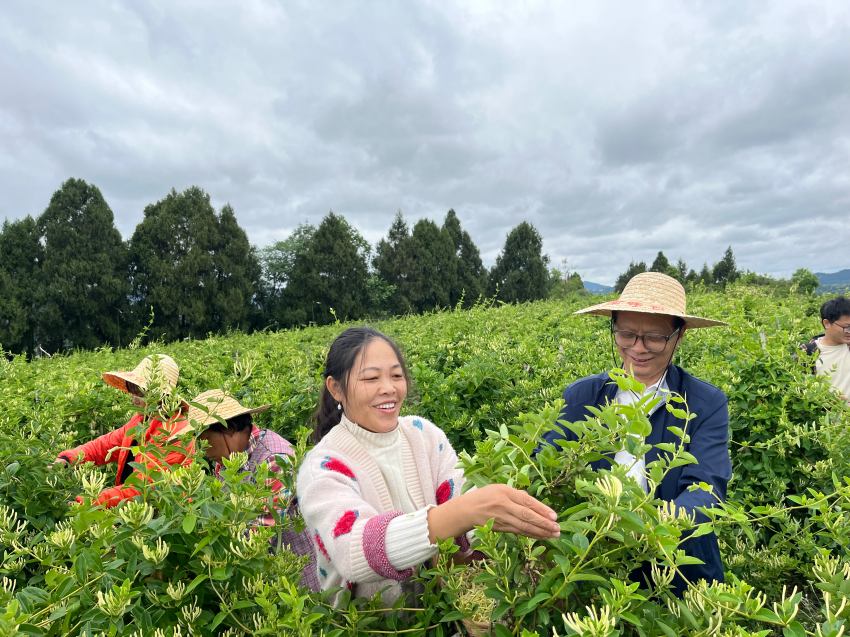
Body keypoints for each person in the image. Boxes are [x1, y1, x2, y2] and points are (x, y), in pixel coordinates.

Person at [296, 327, 561, 603]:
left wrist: (500, 533)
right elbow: (354, 550)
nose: (388, 388)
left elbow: (459, 494)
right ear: (335, 388)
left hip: (439, 613)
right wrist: (467, 511)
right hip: (367, 625)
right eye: (371, 378)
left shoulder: (424, 435)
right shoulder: (322, 467)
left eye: (396, 376)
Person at [540, 272, 731, 594]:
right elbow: (546, 467)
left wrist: (648, 528)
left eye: (655, 337)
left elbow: (705, 487)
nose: (638, 348)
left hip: (677, 561)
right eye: (626, 334)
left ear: (678, 335)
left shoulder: (704, 402)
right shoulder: (583, 395)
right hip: (591, 561)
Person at [187, 389, 318, 590]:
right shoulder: (229, 458)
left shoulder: (274, 460)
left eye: (203, 440)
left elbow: (260, 535)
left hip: (299, 578)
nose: (200, 450)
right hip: (261, 577)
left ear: (228, 428)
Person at [55, 354, 192, 508]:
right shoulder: (142, 420)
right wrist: (69, 458)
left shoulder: (174, 432)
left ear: (160, 395)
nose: (133, 398)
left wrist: (90, 502)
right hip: (132, 509)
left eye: (140, 391)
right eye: (131, 388)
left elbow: (143, 488)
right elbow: (105, 445)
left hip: (162, 514)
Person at [801, 296, 850, 403]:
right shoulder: (808, 352)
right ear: (827, 323)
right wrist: (826, 400)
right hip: (825, 418)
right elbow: (800, 393)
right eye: (847, 327)